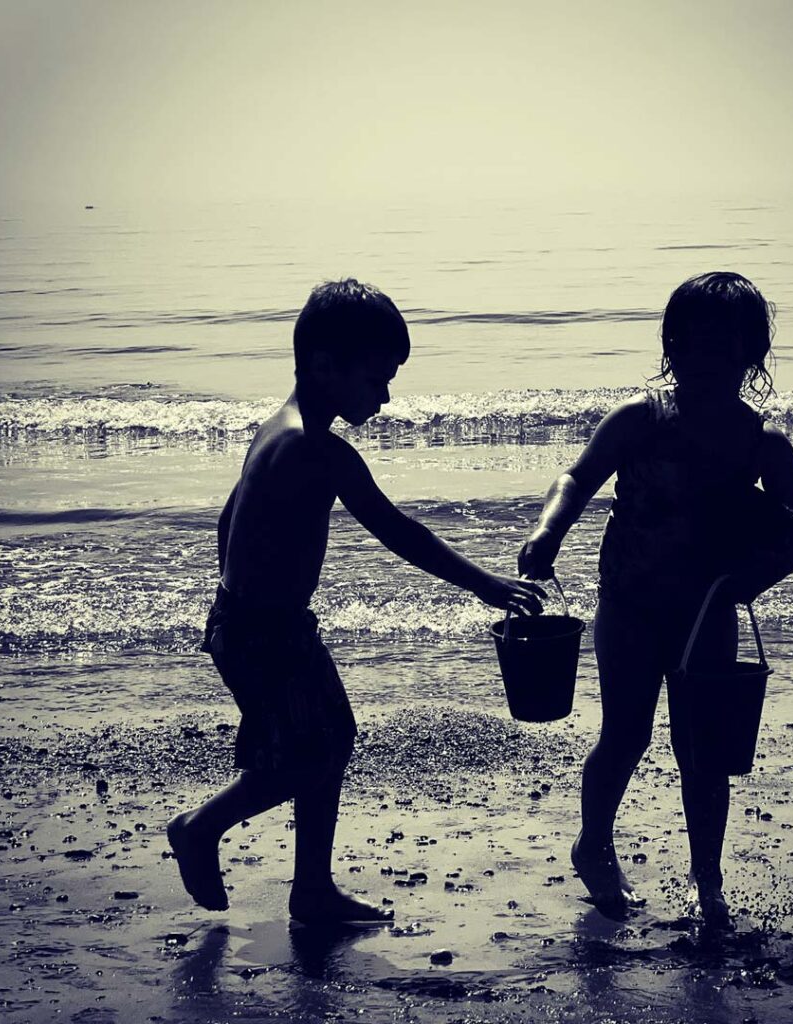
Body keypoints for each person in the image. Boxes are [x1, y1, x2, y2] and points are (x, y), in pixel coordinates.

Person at [167, 279, 544, 927]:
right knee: (307, 756)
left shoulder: (275, 430)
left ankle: (312, 889)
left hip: (259, 623)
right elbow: (400, 531)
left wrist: (231, 602)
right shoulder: (318, 450)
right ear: (324, 365)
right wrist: (485, 585)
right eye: (377, 377)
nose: (386, 394)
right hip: (264, 632)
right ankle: (202, 828)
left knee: (330, 741)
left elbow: (229, 520)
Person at [518, 271, 793, 928]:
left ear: (751, 355)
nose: (707, 359)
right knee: (624, 735)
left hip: (707, 615)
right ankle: (593, 845)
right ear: (671, 345)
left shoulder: (760, 443)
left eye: (726, 346)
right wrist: (548, 530)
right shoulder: (639, 420)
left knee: (703, 751)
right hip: (629, 604)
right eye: (693, 343)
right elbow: (576, 476)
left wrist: (752, 580)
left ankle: (706, 880)